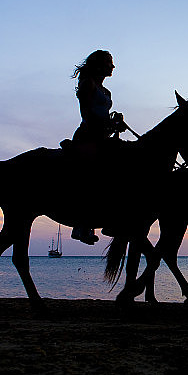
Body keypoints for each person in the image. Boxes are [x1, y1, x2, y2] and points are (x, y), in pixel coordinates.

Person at [68, 50, 125, 245]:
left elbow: (101, 114)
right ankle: (82, 224)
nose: (113, 67)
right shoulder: (88, 84)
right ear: (100, 65)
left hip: (102, 136)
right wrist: (107, 125)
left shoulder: (105, 91)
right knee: (93, 175)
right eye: (110, 62)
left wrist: (114, 122)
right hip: (88, 136)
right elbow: (87, 113)